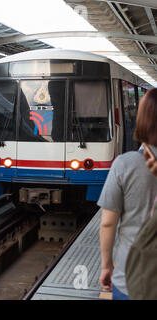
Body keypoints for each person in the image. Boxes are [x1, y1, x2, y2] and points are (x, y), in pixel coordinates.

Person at [98, 88, 157, 300]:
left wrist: (106, 265)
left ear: (142, 121)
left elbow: (108, 223)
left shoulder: (125, 164)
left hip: (131, 278)